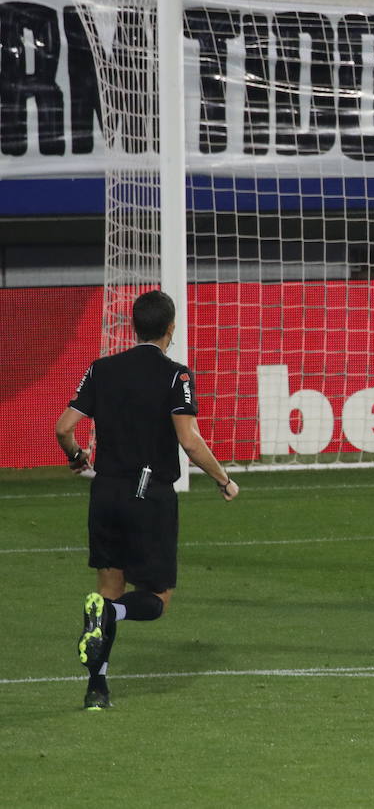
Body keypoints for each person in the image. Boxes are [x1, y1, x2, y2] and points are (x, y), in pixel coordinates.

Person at [54, 289, 239, 711]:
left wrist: (77, 457)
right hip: (148, 494)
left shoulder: (102, 369)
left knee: (107, 589)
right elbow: (189, 442)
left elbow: (64, 428)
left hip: (105, 492)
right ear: (171, 327)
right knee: (157, 598)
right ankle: (110, 618)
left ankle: (96, 690)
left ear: (134, 326)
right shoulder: (177, 376)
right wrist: (223, 480)